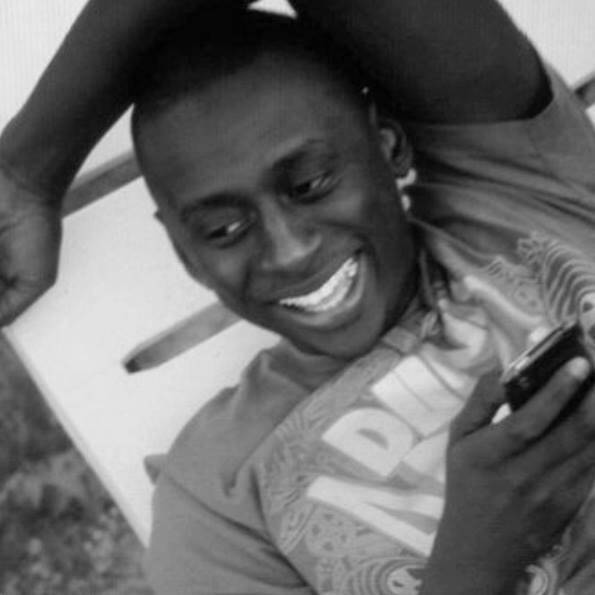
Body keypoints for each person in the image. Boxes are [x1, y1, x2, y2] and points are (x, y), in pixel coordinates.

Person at [3, 1, 595, 594]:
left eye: (310, 184)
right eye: (223, 230)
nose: (287, 251)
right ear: (186, 254)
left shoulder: (522, 188)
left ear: (388, 146)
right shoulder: (217, 492)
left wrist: (25, 172)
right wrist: (476, 562)